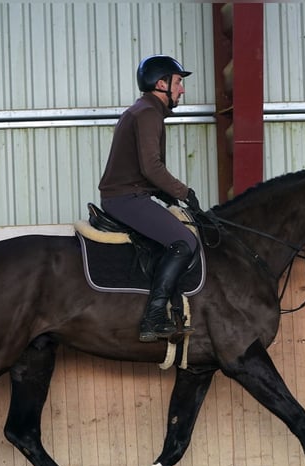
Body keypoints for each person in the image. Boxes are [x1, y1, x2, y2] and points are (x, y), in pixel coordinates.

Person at [99, 55, 202, 343]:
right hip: (125, 198)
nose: (181, 89)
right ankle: (154, 316)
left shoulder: (146, 110)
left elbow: (144, 171)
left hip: (132, 194)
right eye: (179, 82)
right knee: (184, 242)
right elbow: (151, 167)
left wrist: (171, 197)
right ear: (161, 83)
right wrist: (184, 192)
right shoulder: (147, 113)